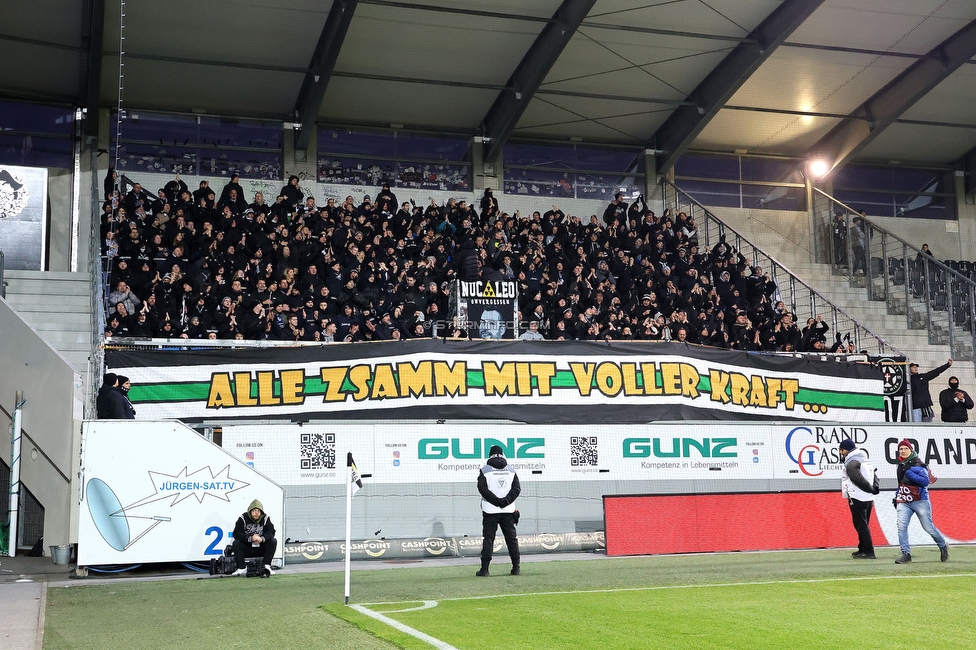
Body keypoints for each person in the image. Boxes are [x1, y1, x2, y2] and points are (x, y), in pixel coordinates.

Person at [893, 439, 948, 564]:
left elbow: (925, 481)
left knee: (929, 528)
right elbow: (901, 483)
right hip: (904, 500)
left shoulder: (918, 464)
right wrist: (897, 495)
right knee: (901, 527)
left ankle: (943, 545)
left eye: (905, 449)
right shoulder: (902, 464)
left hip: (920, 500)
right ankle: (905, 554)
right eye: (900, 449)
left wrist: (908, 472)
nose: (902, 451)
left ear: (910, 450)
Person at [476, 445, 521, 576]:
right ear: (502, 454)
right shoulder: (511, 470)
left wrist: (496, 502)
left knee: (488, 539)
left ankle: (485, 570)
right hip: (508, 510)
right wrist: (505, 502)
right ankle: (516, 568)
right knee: (512, 539)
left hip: (490, 510)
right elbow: (516, 489)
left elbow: (482, 488)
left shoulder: (485, 470)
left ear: (490, 455)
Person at [838, 438, 879, 559]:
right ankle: (862, 548)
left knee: (860, 524)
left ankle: (868, 551)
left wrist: (869, 489)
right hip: (867, 497)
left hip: (857, 496)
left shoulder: (852, 461)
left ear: (847, 449)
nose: (841, 452)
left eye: (842, 450)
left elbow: (856, 478)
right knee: (864, 523)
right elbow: (874, 475)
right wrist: (874, 488)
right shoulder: (864, 458)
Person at [232, 499, 277, 576]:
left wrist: (262, 539)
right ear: (250, 511)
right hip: (248, 547)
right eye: (254, 511)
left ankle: (266, 566)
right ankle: (241, 568)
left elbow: (271, 531)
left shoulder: (266, 518)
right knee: (236, 543)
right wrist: (250, 538)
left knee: (273, 541)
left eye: (258, 511)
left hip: (260, 546)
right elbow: (236, 533)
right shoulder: (243, 518)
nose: (256, 513)